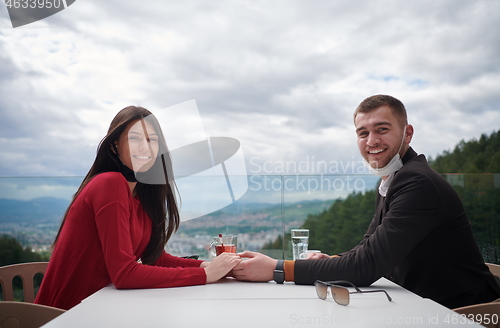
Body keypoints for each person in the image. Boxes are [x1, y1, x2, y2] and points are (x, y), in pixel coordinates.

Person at [232, 95, 500, 309]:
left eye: (382, 129)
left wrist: (276, 269)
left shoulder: (417, 183)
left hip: (461, 311)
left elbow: (366, 265)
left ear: (407, 133)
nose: (372, 141)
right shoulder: (394, 179)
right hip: (423, 302)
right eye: (363, 133)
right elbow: (368, 248)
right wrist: (330, 261)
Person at [35, 106, 241, 310]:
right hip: (65, 315)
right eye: (134, 138)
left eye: (152, 139)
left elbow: (155, 258)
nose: (144, 147)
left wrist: (208, 266)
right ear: (115, 146)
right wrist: (205, 276)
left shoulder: (141, 197)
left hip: (100, 309)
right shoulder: (110, 183)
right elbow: (124, 274)